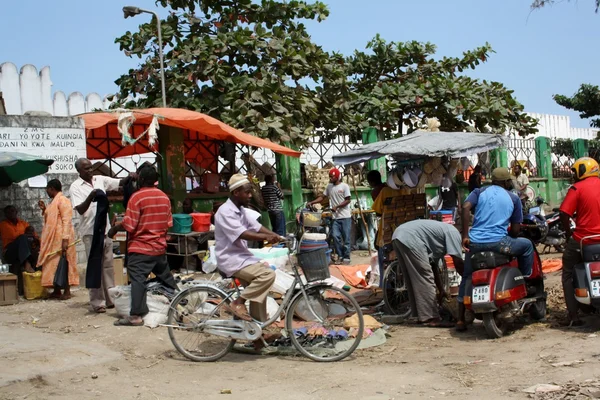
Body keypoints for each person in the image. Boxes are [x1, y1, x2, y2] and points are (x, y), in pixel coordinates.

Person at [458, 167, 533, 331]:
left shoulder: (478, 192)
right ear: (506, 182)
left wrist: (465, 235)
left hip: (475, 244)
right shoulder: (513, 198)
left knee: (466, 275)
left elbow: (464, 207)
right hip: (499, 244)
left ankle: (461, 319)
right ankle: (526, 281)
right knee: (527, 246)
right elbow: (514, 230)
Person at [108, 165, 178, 326]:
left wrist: (114, 228)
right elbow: (168, 223)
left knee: (137, 280)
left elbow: (129, 225)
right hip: (159, 247)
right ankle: (181, 302)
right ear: (155, 181)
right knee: (166, 279)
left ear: (141, 179)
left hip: (140, 248)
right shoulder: (164, 197)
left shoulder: (136, 197)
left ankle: (136, 316)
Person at [215, 174, 281, 325]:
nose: (250, 195)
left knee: (259, 291)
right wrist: (266, 237)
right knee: (266, 275)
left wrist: (275, 235)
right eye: (247, 192)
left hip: (242, 258)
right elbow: (243, 234)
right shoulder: (225, 212)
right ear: (236, 193)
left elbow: (256, 226)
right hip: (230, 259)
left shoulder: (241, 210)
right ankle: (238, 302)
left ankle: (258, 333)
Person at [70, 158, 134, 313]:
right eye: (86, 169)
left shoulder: (100, 180)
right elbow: (80, 209)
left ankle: (110, 298)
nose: (90, 171)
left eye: (91, 168)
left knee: (108, 265)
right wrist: (91, 196)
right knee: (95, 267)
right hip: (90, 232)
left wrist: (131, 176)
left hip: (105, 230)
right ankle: (97, 302)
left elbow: (119, 183)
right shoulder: (75, 187)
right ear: (79, 171)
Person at [392, 220, 464, 327]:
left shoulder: (440, 237)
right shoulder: (454, 233)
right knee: (425, 277)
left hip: (398, 235)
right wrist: (467, 279)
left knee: (414, 278)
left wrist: (441, 290)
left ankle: (419, 315)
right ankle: (431, 317)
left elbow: (433, 266)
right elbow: (457, 261)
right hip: (410, 237)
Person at [559, 157, 600, 327]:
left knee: (567, 271)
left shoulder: (577, 188)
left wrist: (569, 233)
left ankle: (573, 315)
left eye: (575, 172)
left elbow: (563, 213)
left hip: (583, 240)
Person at [37, 179, 79, 300]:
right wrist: (44, 209)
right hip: (53, 238)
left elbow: (66, 221)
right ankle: (56, 290)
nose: (46, 191)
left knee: (65, 262)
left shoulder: (63, 201)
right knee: (54, 262)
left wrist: (65, 240)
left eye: (47, 189)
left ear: (51, 188)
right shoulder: (53, 202)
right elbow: (51, 218)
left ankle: (67, 290)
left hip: (62, 237)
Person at [307, 168, 352, 264]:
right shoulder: (329, 187)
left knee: (346, 238)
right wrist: (312, 202)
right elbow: (322, 197)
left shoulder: (344, 186)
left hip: (345, 217)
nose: (330, 178)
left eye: (332, 177)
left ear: (337, 177)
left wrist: (337, 207)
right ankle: (340, 255)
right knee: (335, 236)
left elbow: (348, 200)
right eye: (330, 177)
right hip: (335, 217)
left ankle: (346, 257)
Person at [0, 205, 40, 296]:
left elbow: (35, 237)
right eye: (8, 212)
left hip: (24, 251)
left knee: (30, 242)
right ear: (5, 214)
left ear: (16, 212)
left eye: (13, 211)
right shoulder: (3, 225)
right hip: (10, 252)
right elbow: (17, 237)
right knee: (22, 238)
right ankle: (27, 263)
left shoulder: (24, 224)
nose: (11, 213)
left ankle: (33, 286)